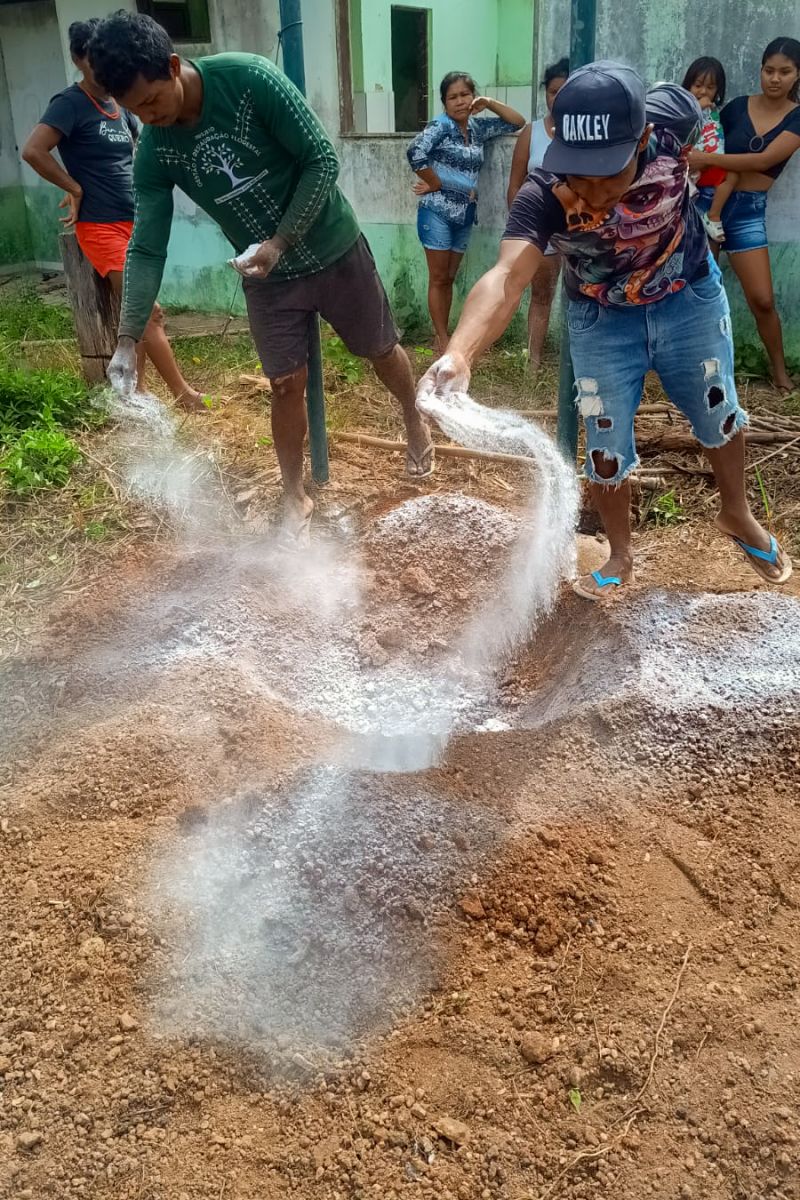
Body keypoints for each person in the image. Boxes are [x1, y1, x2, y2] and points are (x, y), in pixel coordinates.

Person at [417, 62, 792, 599]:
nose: (591, 193)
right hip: (599, 316)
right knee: (605, 442)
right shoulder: (544, 194)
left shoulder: (672, 118)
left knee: (718, 407)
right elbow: (505, 278)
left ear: (642, 138)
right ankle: (620, 552)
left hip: (688, 294)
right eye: (579, 172)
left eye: (607, 172)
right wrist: (459, 353)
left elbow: (678, 101)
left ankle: (737, 513)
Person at [88, 12, 434, 541]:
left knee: (379, 350)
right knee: (283, 384)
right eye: (136, 111)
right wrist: (128, 339)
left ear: (174, 67)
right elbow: (148, 244)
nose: (149, 118)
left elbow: (320, 159)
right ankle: (294, 492)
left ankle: (413, 415)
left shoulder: (250, 80)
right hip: (267, 277)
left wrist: (280, 241)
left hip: (332, 247)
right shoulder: (156, 152)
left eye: (153, 101)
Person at [21, 19, 203, 411]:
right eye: (93, 59)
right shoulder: (69, 104)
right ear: (78, 59)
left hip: (133, 220)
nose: (102, 69)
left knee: (139, 312)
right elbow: (33, 151)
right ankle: (183, 395)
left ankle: (133, 393)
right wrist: (73, 187)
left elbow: (140, 154)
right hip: (100, 225)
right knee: (147, 311)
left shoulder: (121, 106)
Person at [689, 37, 800, 393]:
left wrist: (707, 160)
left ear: (797, 75)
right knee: (696, 293)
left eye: (785, 72)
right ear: (760, 70)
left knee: (763, 300)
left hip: (748, 211)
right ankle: (696, 375)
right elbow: (707, 137)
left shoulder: (797, 117)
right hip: (707, 204)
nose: (775, 78)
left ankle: (780, 373)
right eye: (769, 70)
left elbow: (763, 161)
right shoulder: (736, 107)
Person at [407, 72, 525, 354]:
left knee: (449, 276)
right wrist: (435, 182)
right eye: (453, 97)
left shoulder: (477, 128)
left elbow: (517, 122)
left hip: (464, 215)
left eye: (465, 95)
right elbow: (415, 151)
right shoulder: (441, 126)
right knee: (438, 278)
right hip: (436, 212)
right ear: (444, 102)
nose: (460, 101)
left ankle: (447, 335)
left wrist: (489, 102)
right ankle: (441, 338)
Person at [507, 57, 569, 368]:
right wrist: (522, 233)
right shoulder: (531, 133)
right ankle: (532, 363)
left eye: (564, 90)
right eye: (552, 91)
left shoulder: (584, 135)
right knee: (541, 296)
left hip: (577, 230)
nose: (557, 97)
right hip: (539, 231)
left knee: (582, 296)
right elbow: (515, 185)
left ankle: (578, 363)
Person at [682, 56, 738, 244]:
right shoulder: (683, 107)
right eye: (698, 85)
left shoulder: (714, 112)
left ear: (718, 91)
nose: (703, 91)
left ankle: (713, 216)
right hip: (688, 169)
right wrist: (697, 107)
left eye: (710, 87)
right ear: (688, 85)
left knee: (732, 175)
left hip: (710, 165)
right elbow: (679, 122)